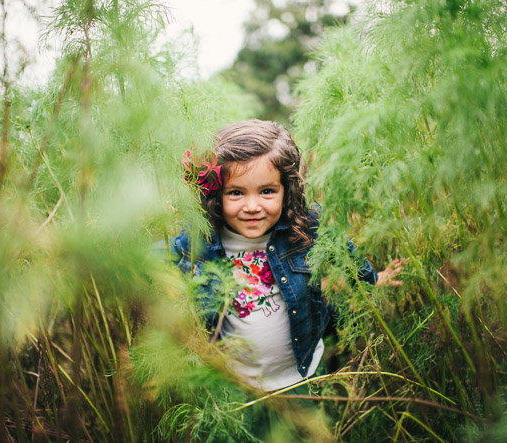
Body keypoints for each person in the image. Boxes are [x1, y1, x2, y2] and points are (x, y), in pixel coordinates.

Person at [171, 119, 405, 393]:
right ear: (216, 195)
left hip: (303, 374)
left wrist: (372, 279)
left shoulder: (305, 227)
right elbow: (167, 263)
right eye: (236, 193)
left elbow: (342, 249)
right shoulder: (201, 239)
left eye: (267, 191)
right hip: (235, 383)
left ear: (287, 190)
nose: (252, 206)